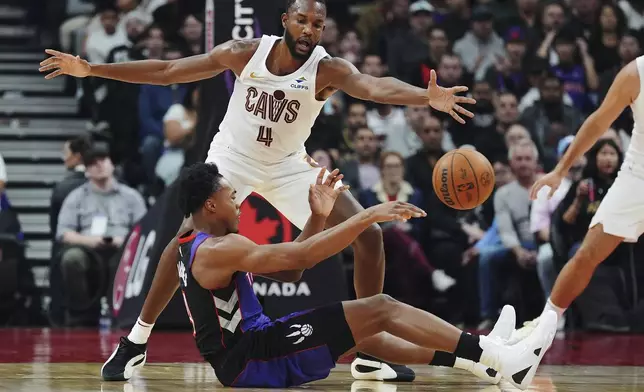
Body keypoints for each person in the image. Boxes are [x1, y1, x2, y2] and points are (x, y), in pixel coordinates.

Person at [39, 0, 478, 382]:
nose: (310, 30)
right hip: (233, 158)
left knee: (370, 236)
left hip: (289, 164)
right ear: (286, 20)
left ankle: (368, 352)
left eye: (318, 25)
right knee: (182, 241)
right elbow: (169, 70)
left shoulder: (327, 68)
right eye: (302, 21)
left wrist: (427, 97)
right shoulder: (244, 53)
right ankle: (136, 340)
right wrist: (92, 68)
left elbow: (374, 87)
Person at [105, 161, 556, 390]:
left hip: (252, 351)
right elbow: (292, 259)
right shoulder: (221, 249)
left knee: (369, 335)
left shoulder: (189, 245)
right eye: (230, 196)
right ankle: (497, 355)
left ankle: (486, 363)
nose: (238, 203)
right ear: (209, 207)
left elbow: (298, 258)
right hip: (254, 359)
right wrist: (367, 217)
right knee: (380, 308)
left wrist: (319, 215)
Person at [510, 54, 644, 344]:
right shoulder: (636, 72)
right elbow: (598, 121)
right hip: (638, 177)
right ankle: (541, 329)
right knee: (587, 254)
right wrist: (560, 170)